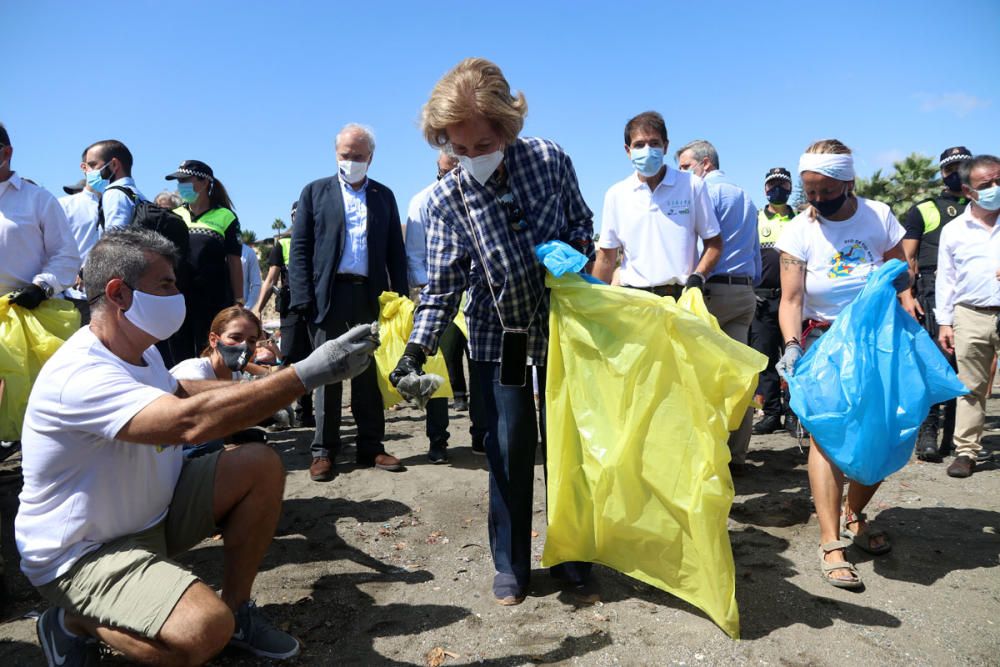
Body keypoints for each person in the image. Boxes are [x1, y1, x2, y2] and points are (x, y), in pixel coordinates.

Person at [15, 228, 379, 665]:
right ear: (118, 293)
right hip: (81, 554)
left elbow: (182, 393)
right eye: (165, 285)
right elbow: (186, 423)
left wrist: (268, 392)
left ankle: (239, 608)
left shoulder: (140, 351)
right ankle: (70, 621)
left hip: (152, 519)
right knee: (204, 631)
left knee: (259, 464)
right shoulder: (80, 373)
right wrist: (302, 377)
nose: (177, 294)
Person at [390, 58, 596, 606]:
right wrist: (415, 351)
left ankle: (573, 550)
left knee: (567, 443)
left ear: (507, 129)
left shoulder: (550, 160)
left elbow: (582, 221)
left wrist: (573, 253)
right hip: (497, 334)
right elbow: (441, 287)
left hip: (562, 326)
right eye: (460, 149)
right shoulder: (443, 201)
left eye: (483, 145)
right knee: (507, 447)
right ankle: (510, 563)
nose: (472, 158)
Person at [775, 139, 916, 590]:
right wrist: (793, 345)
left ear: (848, 182)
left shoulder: (878, 216)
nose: (815, 200)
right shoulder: (799, 230)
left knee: (884, 431)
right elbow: (791, 297)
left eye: (824, 190)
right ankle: (830, 540)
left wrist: (890, 278)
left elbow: (904, 273)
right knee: (829, 435)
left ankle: (855, 512)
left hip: (879, 337)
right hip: (823, 338)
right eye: (809, 191)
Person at [290, 123, 409, 481]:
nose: (351, 162)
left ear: (370, 157)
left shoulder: (384, 196)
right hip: (328, 295)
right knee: (326, 373)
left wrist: (399, 299)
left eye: (358, 156)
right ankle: (324, 450)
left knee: (368, 373)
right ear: (335, 154)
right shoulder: (315, 192)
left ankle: (371, 445)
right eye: (346, 155)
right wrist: (303, 300)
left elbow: (395, 252)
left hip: (369, 295)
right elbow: (300, 251)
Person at [676, 139, 760, 473]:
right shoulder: (746, 196)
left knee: (699, 378)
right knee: (738, 376)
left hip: (709, 290)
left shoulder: (703, 192)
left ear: (705, 163)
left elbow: (699, 242)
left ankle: (705, 456)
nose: (682, 174)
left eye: (685, 166)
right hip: (743, 292)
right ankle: (737, 455)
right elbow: (753, 248)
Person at [405, 152, 489, 462]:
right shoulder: (423, 201)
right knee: (437, 366)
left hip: (478, 295)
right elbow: (415, 255)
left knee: (481, 364)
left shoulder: (482, 195)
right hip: (439, 297)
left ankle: (482, 433)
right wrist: (435, 292)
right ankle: (438, 439)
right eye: (445, 170)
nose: (452, 173)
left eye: (457, 166)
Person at [592, 112, 722, 296]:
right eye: (639, 145)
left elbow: (714, 242)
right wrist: (593, 299)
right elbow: (606, 258)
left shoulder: (692, 185)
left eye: (654, 143)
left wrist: (698, 277)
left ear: (665, 146)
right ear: (628, 151)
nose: (647, 150)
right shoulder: (616, 194)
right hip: (634, 300)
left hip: (680, 298)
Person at [902, 146, 974, 462]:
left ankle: (956, 438)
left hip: (973, 291)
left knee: (967, 366)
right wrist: (908, 295)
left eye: (963, 166)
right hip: (931, 289)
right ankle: (927, 433)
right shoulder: (925, 209)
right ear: (942, 173)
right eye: (950, 168)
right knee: (934, 361)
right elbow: (908, 258)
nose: (956, 172)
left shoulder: (984, 207)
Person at [935, 154, 1000, 479]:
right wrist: (945, 321)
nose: (995, 188)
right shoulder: (955, 230)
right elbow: (946, 278)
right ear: (969, 191)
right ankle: (966, 451)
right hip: (970, 315)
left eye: (999, 181)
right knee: (971, 386)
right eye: (986, 185)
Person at [164, 159, 244, 360]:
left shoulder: (225, 216)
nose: (181, 186)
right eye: (178, 181)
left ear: (204, 182)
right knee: (179, 353)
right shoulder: (174, 215)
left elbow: (234, 261)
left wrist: (239, 300)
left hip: (213, 298)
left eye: (185, 180)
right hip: (178, 296)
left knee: (209, 352)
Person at [255, 202, 314, 428]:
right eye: (296, 215)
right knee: (288, 357)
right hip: (290, 308)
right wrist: (258, 308)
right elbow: (270, 280)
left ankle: (305, 412)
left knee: (312, 358)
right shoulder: (284, 244)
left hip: (315, 308)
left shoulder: (319, 241)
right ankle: (277, 408)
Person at [749, 167, 797, 435]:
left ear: (789, 188)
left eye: (782, 184)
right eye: (772, 185)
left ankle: (793, 414)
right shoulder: (755, 219)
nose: (777, 189)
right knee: (765, 359)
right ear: (765, 189)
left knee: (792, 357)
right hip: (762, 299)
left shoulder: (801, 219)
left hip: (793, 299)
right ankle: (770, 412)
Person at [58, 149, 104, 323]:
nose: (100, 171)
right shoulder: (64, 205)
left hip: (111, 297)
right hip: (73, 296)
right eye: (92, 165)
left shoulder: (120, 204)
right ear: (83, 167)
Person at [83, 139, 146, 230]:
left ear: (114, 164)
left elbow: (115, 241)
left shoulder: (115, 194)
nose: (88, 171)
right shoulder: (137, 195)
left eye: (93, 165)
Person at [241, 241, 262, 310]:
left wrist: (246, 308)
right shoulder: (214, 248)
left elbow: (256, 284)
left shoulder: (248, 252)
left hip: (240, 309)